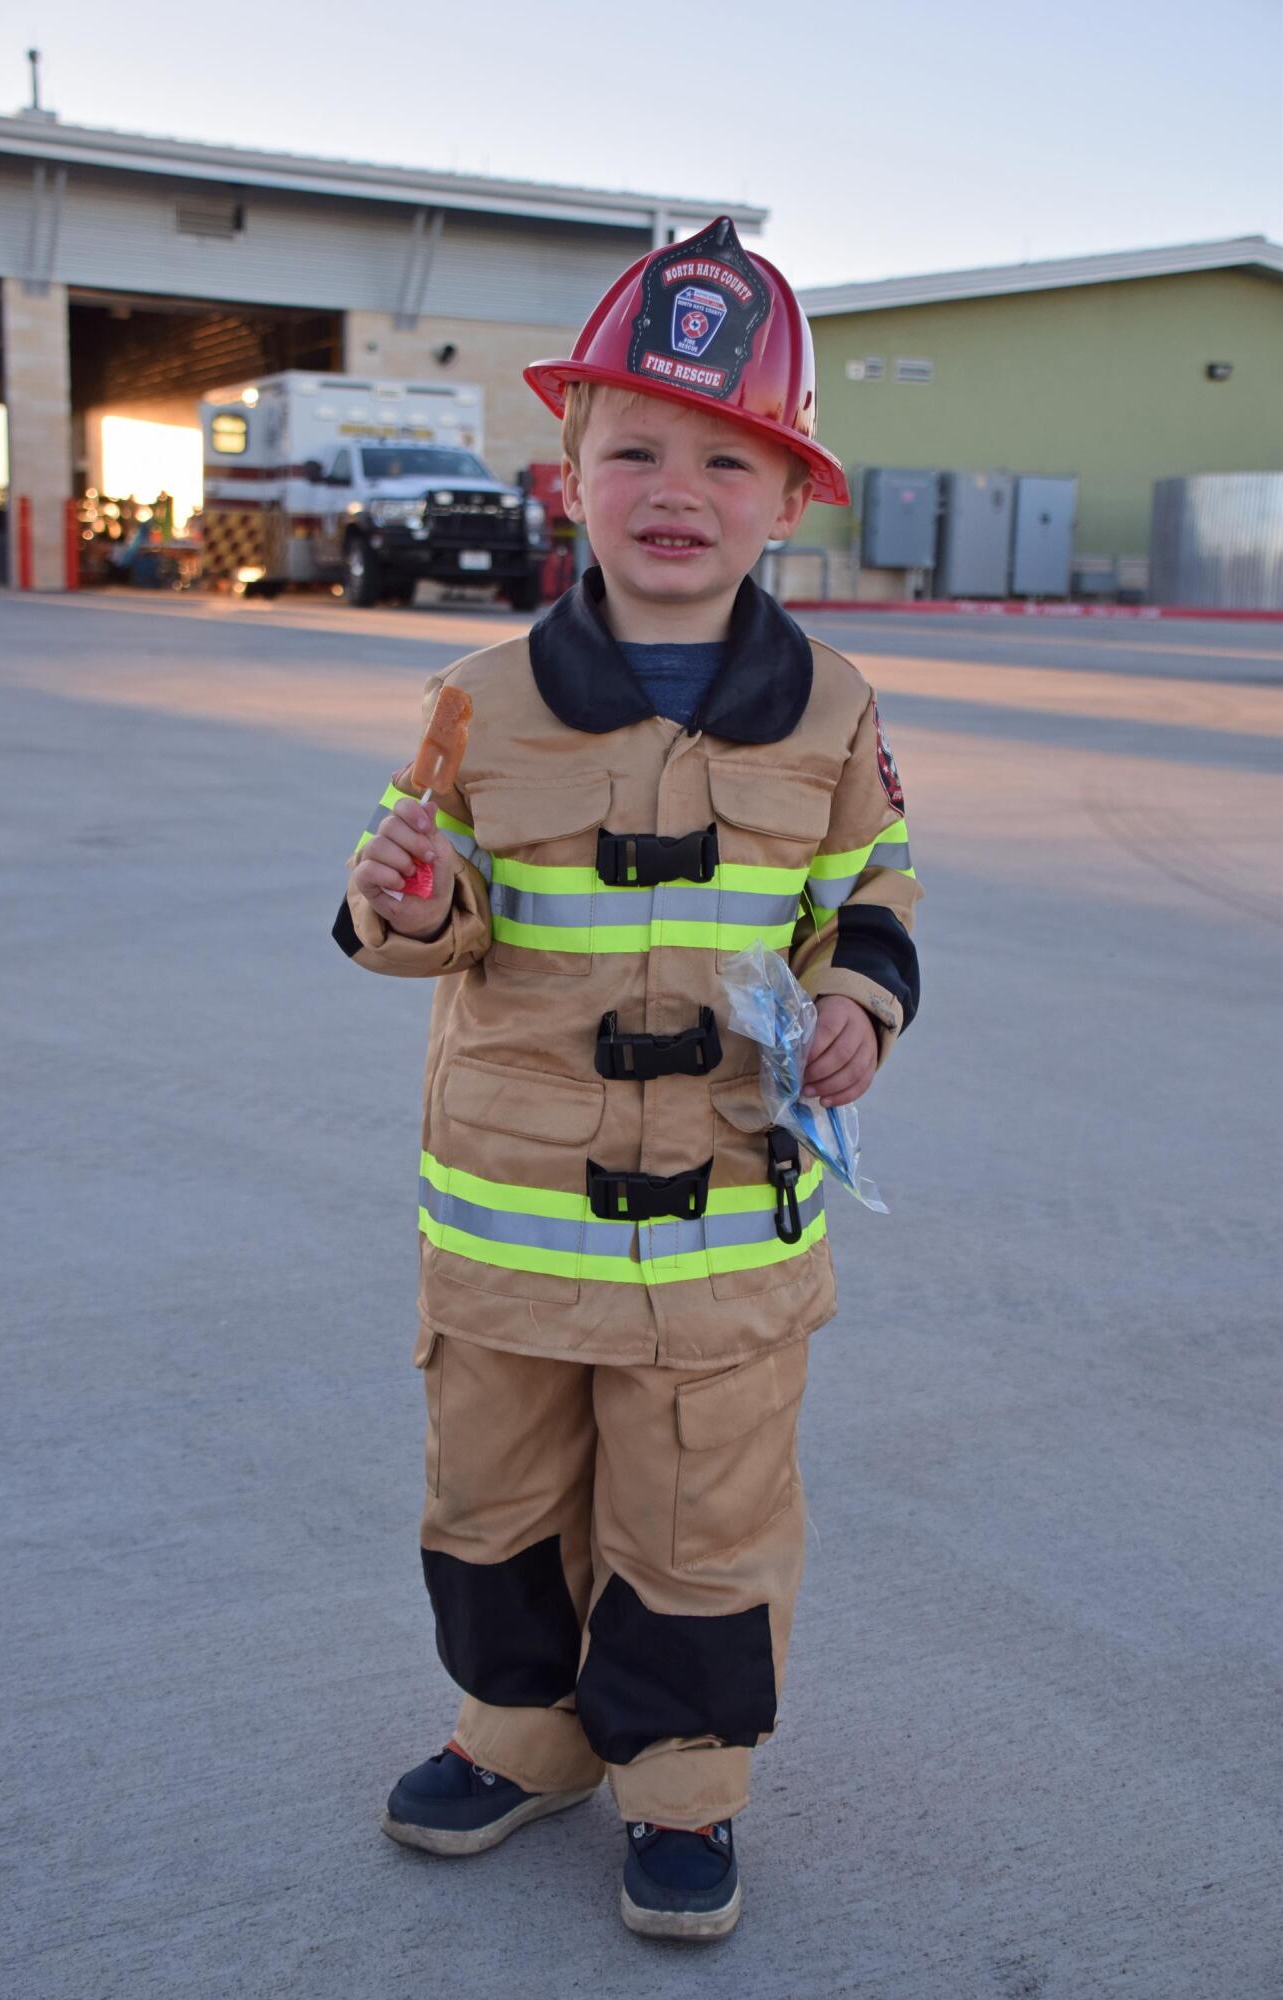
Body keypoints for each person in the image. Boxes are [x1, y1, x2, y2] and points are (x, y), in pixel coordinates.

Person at [333, 216, 922, 1942]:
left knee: (699, 1524)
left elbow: (866, 890)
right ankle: (520, 1739)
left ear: (787, 495)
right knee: (494, 1505)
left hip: (727, 1241)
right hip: (509, 1242)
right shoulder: (474, 699)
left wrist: (862, 1006)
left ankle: (679, 1787)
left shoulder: (830, 708)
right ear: (565, 473)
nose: (677, 487)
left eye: (724, 457)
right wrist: (412, 908)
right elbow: (412, 908)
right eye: (635, 449)